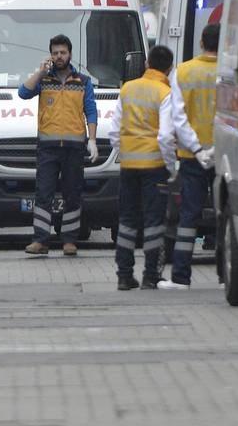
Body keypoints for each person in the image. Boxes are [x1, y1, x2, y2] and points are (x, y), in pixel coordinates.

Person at [108, 45, 200, 290]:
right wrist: (172, 168)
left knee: (127, 221)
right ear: (169, 69)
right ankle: (151, 274)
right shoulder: (165, 92)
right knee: (154, 222)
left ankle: (124, 275)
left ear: (147, 63)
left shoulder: (127, 89)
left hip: (128, 166)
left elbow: (114, 131)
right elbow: (165, 137)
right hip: (154, 166)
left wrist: (125, 153)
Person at [17, 34, 98, 257]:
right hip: (48, 147)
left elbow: (90, 111)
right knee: (44, 194)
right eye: (55, 53)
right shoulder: (44, 80)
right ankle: (40, 241)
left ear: (70, 54)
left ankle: (69, 241)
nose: (59, 56)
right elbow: (23, 93)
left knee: (73, 195)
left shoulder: (83, 81)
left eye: (62, 52)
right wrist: (40, 72)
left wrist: (92, 140)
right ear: (50, 55)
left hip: (74, 148)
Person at [160, 25, 220, 290]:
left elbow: (178, 117)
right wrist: (217, 148)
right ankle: (226, 277)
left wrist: (196, 148)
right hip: (226, 156)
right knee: (226, 215)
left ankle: (181, 277)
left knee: (188, 216)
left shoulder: (182, 72)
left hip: (192, 157)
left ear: (200, 41)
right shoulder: (232, 70)